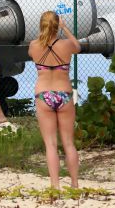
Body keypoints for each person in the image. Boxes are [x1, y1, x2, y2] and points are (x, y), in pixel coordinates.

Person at [28, 11, 81, 189]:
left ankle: (55, 186)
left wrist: (46, 33)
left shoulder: (34, 46)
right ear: (57, 25)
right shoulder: (66, 45)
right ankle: (74, 185)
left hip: (44, 95)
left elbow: (34, 51)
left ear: (41, 25)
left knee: (50, 144)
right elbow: (78, 47)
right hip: (64, 94)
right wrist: (65, 29)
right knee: (68, 143)